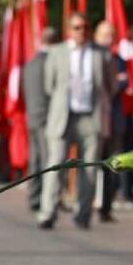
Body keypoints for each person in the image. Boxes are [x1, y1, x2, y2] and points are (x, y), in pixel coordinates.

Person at [38, 12, 112, 230]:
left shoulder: (101, 54)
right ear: (70, 30)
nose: (82, 32)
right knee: (56, 165)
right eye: (77, 28)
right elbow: (49, 86)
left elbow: (110, 85)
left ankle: (83, 213)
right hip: (64, 116)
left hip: (91, 116)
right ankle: (47, 212)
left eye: (86, 28)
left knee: (89, 168)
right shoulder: (57, 52)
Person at [92, 20, 128, 222]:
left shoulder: (119, 59)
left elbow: (124, 82)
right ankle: (86, 205)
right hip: (94, 120)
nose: (108, 39)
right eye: (104, 35)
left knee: (112, 165)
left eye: (111, 35)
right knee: (90, 164)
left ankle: (106, 207)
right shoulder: (90, 57)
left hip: (114, 120)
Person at [22, 26, 57, 212]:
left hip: (32, 116)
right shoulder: (50, 62)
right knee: (46, 159)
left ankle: (34, 196)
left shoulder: (31, 63)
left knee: (35, 159)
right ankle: (45, 199)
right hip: (47, 117)